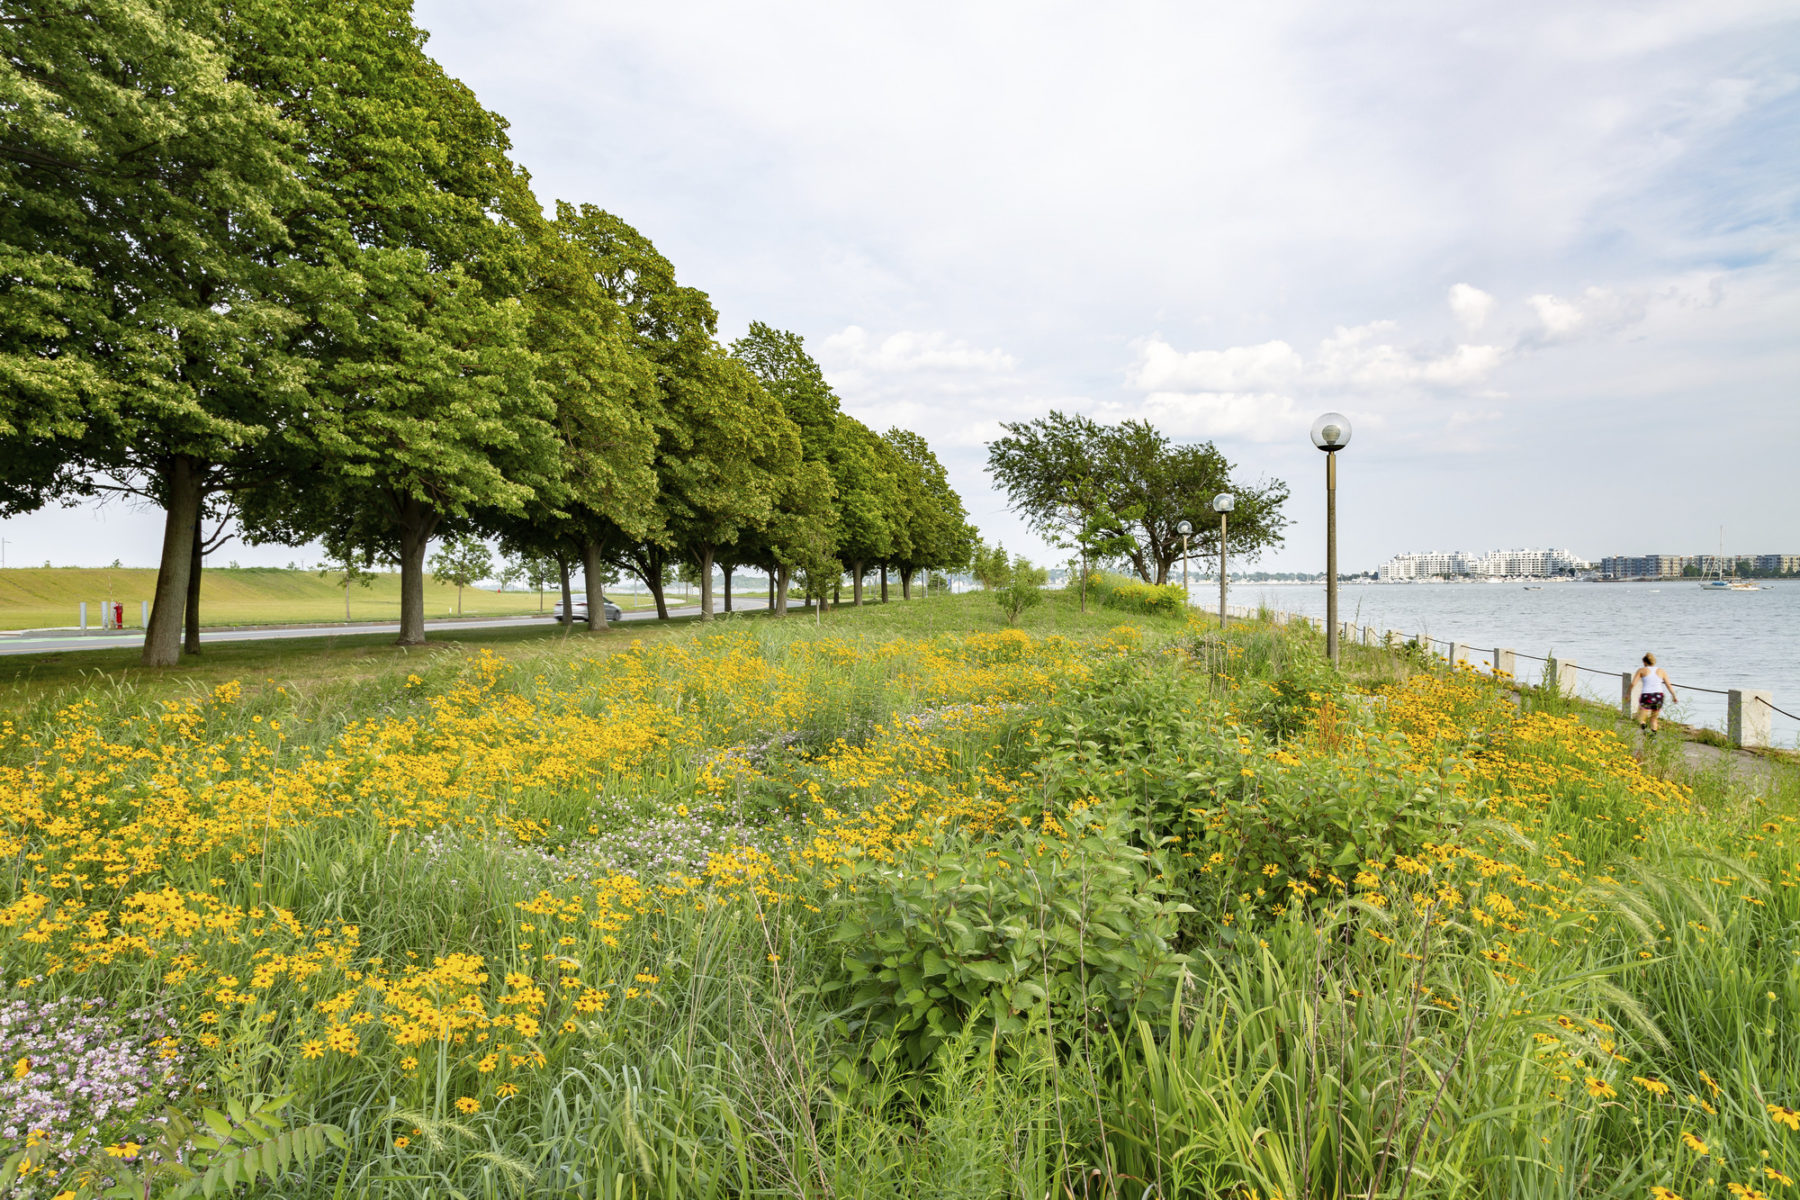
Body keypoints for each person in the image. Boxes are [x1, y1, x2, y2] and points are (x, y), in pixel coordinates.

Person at [1631, 652, 1677, 735]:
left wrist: (1628, 694)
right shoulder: (1661, 671)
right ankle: (1653, 737)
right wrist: (1674, 695)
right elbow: (1668, 685)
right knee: (1654, 718)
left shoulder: (1642, 670)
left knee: (1640, 718)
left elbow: (1633, 683)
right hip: (1659, 696)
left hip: (1646, 696)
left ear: (1644, 662)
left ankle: (1644, 728)